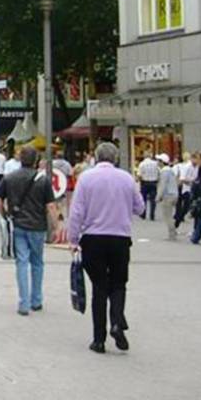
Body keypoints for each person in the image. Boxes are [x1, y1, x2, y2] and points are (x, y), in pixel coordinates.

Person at [66, 142, 144, 354]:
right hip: (120, 238)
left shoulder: (86, 178)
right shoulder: (127, 178)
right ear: (115, 158)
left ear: (96, 157)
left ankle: (98, 339)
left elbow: (77, 211)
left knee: (99, 288)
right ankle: (117, 321)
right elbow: (140, 207)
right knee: (119, 283)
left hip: (93, 239)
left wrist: (73, 239)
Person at [0, 145, 61, 316]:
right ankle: (36, 300)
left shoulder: (10, 177)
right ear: (36, 160)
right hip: (38, 226)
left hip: (18, 225)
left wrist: (4, 214)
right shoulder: (43, 180)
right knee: (37, 262)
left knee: (21, 262)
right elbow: (51, 206)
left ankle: (23, 303)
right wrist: (56, 227)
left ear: (20, 160)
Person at [173, 152, 200, 228]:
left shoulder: (197, 167)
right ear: (192, 159)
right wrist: (190, 182)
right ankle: (178, 220)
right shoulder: (187, 167)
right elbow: (182, 178)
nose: (197, 161)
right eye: (195, 159)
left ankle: (179, 218)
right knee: (184, 205)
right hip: (184, 187)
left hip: (192, 188)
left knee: (187, 206)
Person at [156, 154, 179, 240]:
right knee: (170, 214)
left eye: (158, 161)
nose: (157, 162)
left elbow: (163, 185)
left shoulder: (164, 172)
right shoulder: (170, 170)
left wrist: (158, 196)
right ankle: (173, 232)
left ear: (162, 162)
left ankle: (172, 234)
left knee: (167, 216)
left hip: (168, 195)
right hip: (174, 194)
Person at [136, 153, 161, 221]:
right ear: (150, 156)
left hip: (144, 183)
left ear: (144, 156)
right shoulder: (155, 164)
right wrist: (158, 180)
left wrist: (137, 180)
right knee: (153, 200)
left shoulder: (142, 164)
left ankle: (143, 214)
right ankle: (152, 215)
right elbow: (159, 172)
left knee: (143, 199)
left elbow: (139, 174)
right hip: (153, 183)